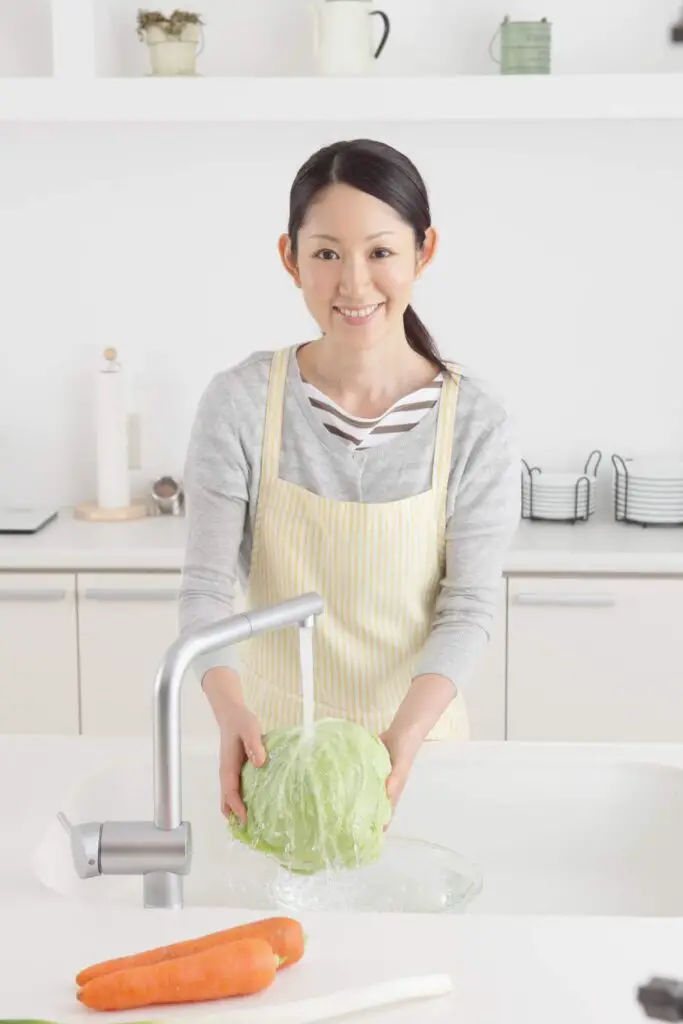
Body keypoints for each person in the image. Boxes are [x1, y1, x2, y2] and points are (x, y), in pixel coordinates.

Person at [179, 138, 520, 825]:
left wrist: (403, 738)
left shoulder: (473, 421)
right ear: (290, 258)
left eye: (381, 252)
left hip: (422, 756)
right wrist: (229, 712)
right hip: (276, 757)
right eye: (327, 253)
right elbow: (206, 589)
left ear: (423, 253)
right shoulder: (242, 401)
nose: (354, 283)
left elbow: (469, 607)